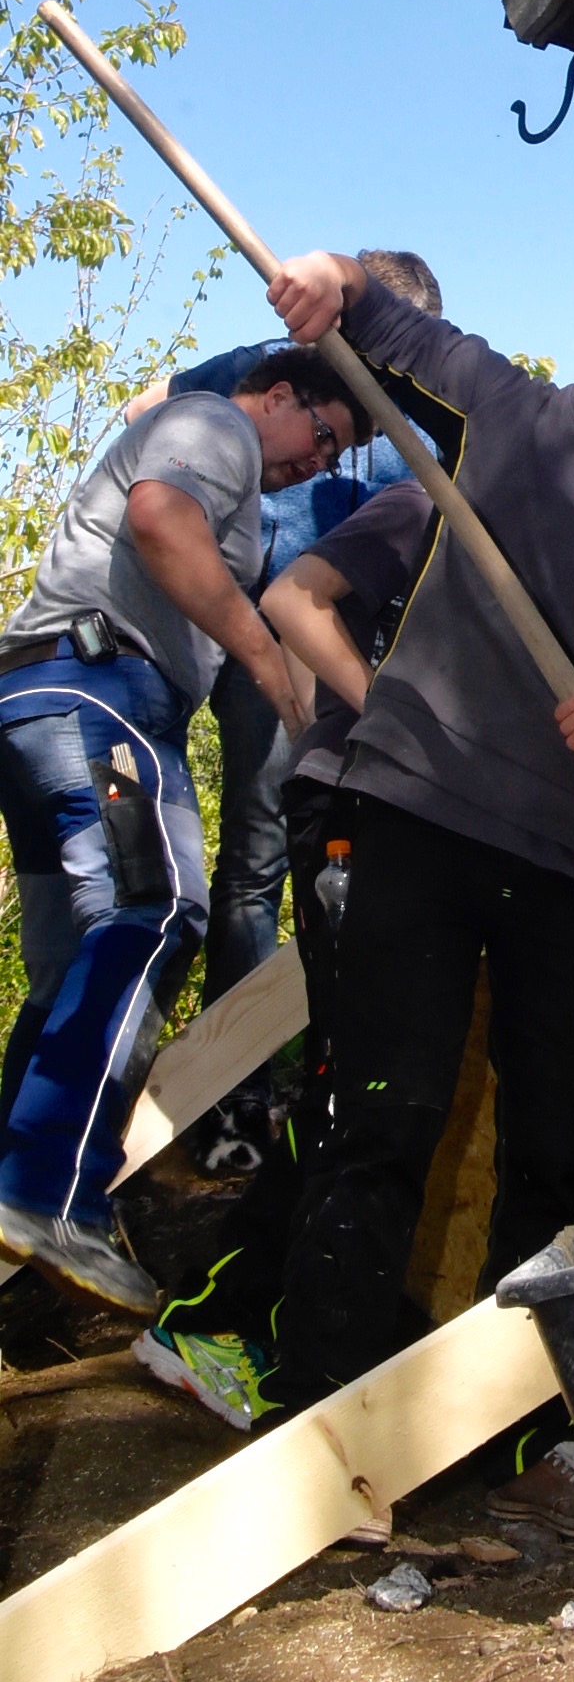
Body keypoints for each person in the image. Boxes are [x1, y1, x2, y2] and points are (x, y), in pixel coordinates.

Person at [242, 248, 574, 1515]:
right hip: (415, 820)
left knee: (554, 1145)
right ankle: (313, 1444)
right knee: (381, 1121)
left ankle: (517, 1447)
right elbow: (381, 322)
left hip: (572, 861)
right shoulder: (510, 413)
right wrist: (327, 278)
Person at [0, 348, 365, 1310]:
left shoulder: (232, 459)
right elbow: (161, 518)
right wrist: (267, 661)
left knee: (72, 968)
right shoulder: (216, 424)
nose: (318, 461)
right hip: (101, 695)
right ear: (278, 395)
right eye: (322, 434)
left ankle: (13, 1180)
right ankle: (47, 1195)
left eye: (335, 455)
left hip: (42, 705)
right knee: (158, 910)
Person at [128, 248, 443, 1172]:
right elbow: (149, 412)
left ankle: (304, 1087)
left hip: (332, 656)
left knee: (315, 863)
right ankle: (222, 1101)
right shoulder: (270, 373)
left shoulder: (415, 425)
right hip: (228, 627)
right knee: (226, 862)